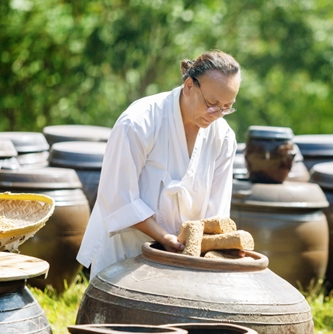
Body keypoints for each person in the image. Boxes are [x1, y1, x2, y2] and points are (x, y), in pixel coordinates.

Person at [77, 50, 241, 278]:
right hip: (125, 253)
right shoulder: (139, 122)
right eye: (211, 103)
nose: (217, 114)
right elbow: (118, 197)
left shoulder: (223, 137)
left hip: (184, 258)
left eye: (227, 107)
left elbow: (216, 213)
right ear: (189, 87)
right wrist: (164, 238)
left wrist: (199, 247)